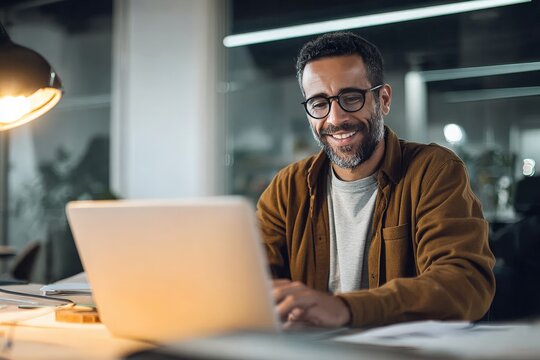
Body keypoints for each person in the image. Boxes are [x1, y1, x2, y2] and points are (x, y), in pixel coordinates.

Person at [256, 32, 495, 328]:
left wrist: (345, 309)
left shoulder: (434, 171)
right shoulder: (286, 188)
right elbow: (251, 284)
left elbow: (465, 285)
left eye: (351, 98)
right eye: (319, 103)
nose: (335, 118)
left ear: (383, 99)